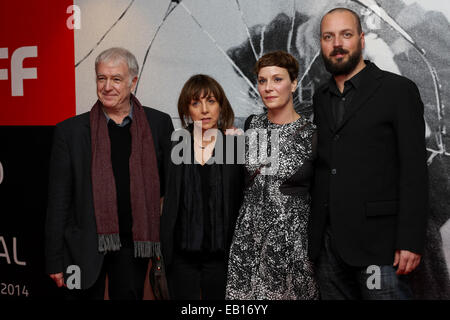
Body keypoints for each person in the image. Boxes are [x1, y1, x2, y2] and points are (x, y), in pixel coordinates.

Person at [309, 8, 429, 299]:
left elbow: (414, 171)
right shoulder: (320, 97)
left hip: (381, 246)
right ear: (322, 44)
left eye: (346, 35)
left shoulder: (398, 91)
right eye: (329, 37)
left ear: (361, 40)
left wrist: (410, 240)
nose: (337, 44)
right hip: (328, 247)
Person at [45, 47, 174, 299]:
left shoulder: (158, 124)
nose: (107, 86)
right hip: (81, 246)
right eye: (101, 78)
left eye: (116, 79)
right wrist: (54, 259)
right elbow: (58, 202)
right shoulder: (69, 132)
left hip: (133, 247)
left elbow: (172, 186)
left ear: (133, 82)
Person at [226, 51, 319, 300]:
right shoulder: (251, 125)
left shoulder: (312, 134)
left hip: (292, 246)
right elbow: (239, 183)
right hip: (249, 240)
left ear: (294, 83)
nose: (268, 88)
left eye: (277, 79)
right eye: (262, 80)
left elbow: (322, 194)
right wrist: (231, 148)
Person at [161, 74, 244, 300]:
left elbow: (243, 197)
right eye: (196, 103)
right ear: (187, 109)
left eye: (211, 101)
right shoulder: (175, 144)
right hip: (181, 257)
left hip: (222, 256)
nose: (204, 110)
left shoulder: (235, 144)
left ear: (221, 105)